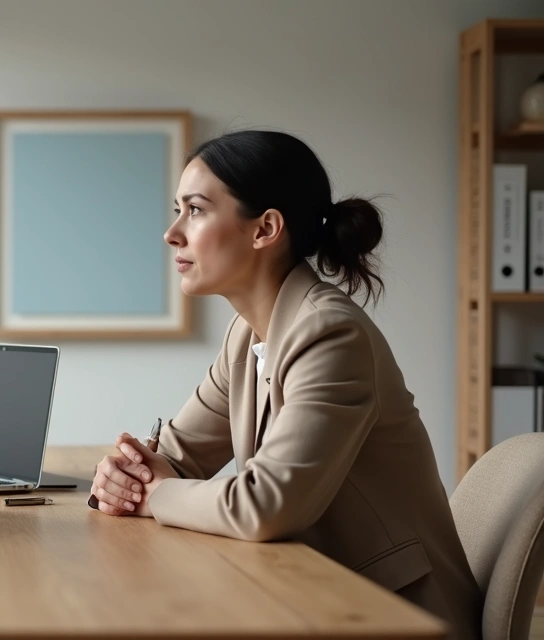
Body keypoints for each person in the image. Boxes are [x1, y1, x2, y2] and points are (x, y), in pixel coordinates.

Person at [90, 130, 481, 638]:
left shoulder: (330, 334)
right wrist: (121, 478)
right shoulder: (247, 334)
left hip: (392, 614)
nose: (173, 233)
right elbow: (176, 456)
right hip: (309, 597)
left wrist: (154, 494)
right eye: (178, 209)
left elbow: (264, 506)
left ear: (265, 229)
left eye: (196, 210)